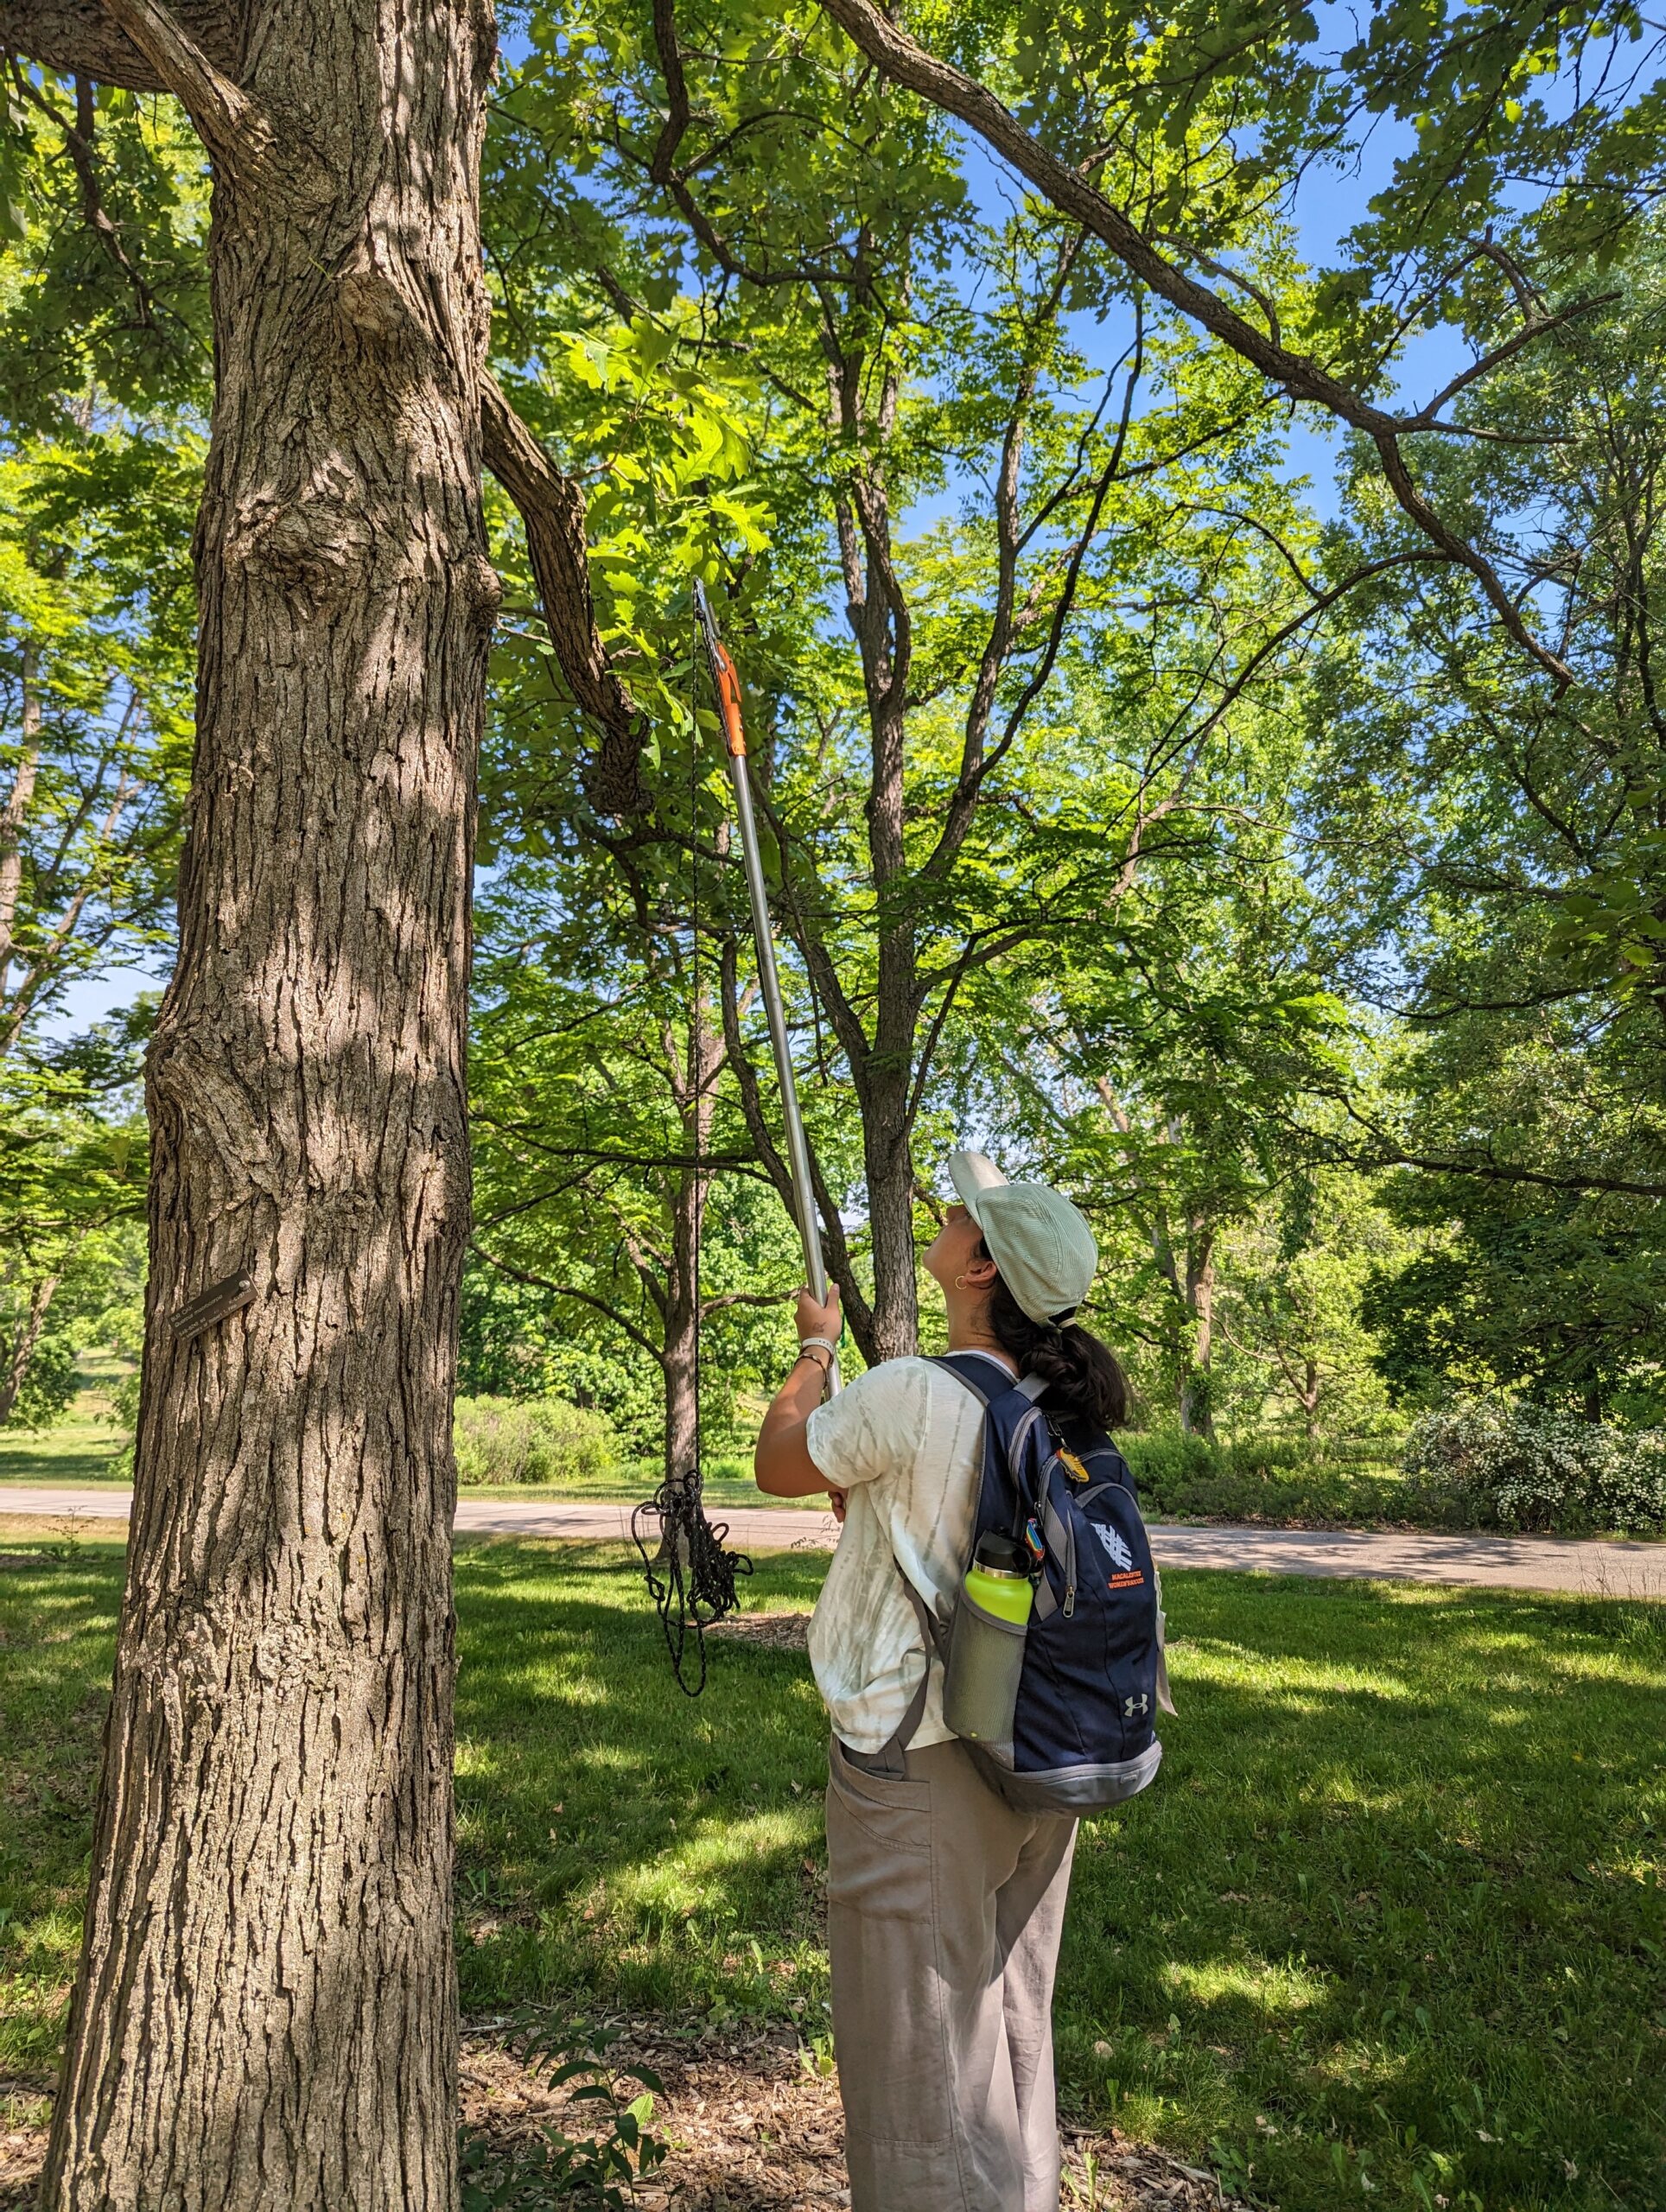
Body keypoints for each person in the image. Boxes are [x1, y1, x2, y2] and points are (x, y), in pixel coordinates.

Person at [754, 1150, 1130, 2212]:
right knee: (1007, 2025)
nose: (949, 1213)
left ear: (978, 1271)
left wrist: (815, 1350)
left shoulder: (914, 1393)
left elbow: (779, 1461)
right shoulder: (1062, 1412)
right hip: (1037, 1751)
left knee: (919, 2069)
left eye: (966, 1214)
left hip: (916, 1763)